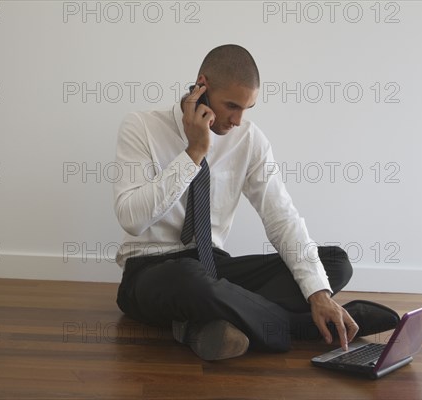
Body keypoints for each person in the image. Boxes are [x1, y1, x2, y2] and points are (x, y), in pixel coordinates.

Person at [113, 44, 399, 360]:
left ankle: (206, 326)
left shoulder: (249, 139)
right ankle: (296, 325)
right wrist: (193, 153)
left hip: (214, 268)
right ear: (202, 86)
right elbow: (131, 218)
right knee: (188, 279)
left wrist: (318, 295)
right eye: (232, 105)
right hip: (151, 272)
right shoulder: (140, 127)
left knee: (333, 263)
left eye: (247, 108)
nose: (237, 120)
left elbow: (282, 217)